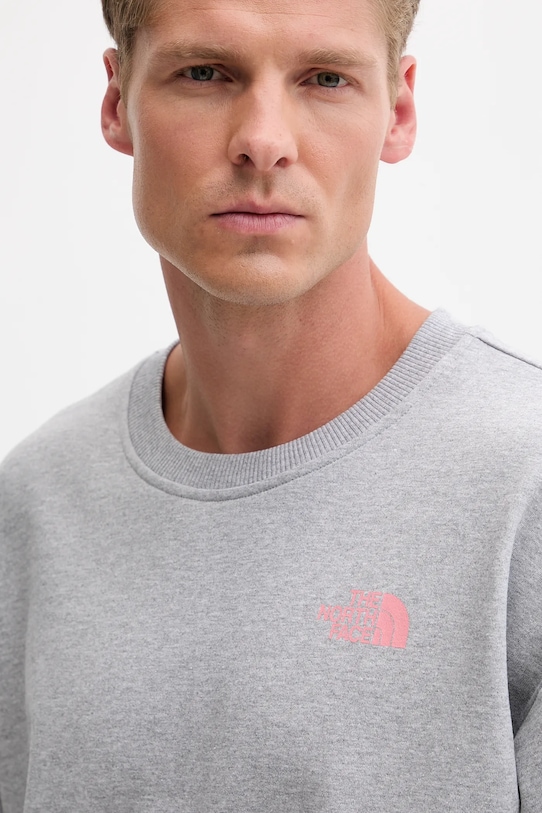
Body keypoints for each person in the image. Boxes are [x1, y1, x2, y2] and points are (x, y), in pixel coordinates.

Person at [0, 0, 541, 810]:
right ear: (117, 103)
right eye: (205, 73)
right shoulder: (38, 500)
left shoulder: (524, 483)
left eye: (325, 79)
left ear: (397, 111)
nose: (263, 139)